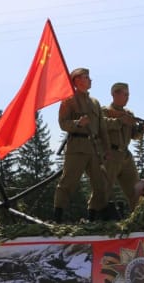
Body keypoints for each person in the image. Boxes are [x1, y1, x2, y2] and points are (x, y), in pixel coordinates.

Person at [53, 68, 110, 223]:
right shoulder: (69, 100)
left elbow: (102, 128)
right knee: (68, 182)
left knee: (101, 184)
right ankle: (57, 217)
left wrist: (106, 148)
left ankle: (93, 218)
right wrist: (77, 123)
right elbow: (63, 123)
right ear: (77, 80)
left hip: (95, 148)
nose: (90, 80)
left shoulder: (95, 102)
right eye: (86, 77)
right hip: (77, 146)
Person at [102, 82, 144, 212]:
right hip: (110, 154)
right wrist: (120, 121)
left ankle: (136, 217)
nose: (127, 97)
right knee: (103, 189)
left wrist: (142, 129)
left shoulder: (129, 113)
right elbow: (101, 126)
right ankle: (94, 217)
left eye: (128, 94)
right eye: (125, 94)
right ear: (115, 94)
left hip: (125, 155)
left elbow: (134, 135)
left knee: (136, 189)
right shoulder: (105, 112)